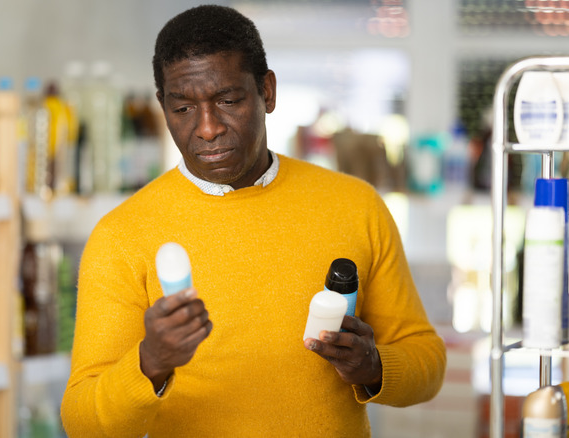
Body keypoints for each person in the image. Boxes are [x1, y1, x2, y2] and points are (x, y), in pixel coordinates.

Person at [61, 5, 446, 437]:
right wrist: (150, 363)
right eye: (183, 108)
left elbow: (427, 363)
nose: (207, 128)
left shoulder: (356, 206)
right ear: (162, 107)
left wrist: (374, 368)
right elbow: (82, 422)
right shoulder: (123, 235)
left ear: (267, 91)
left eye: (227, 101)